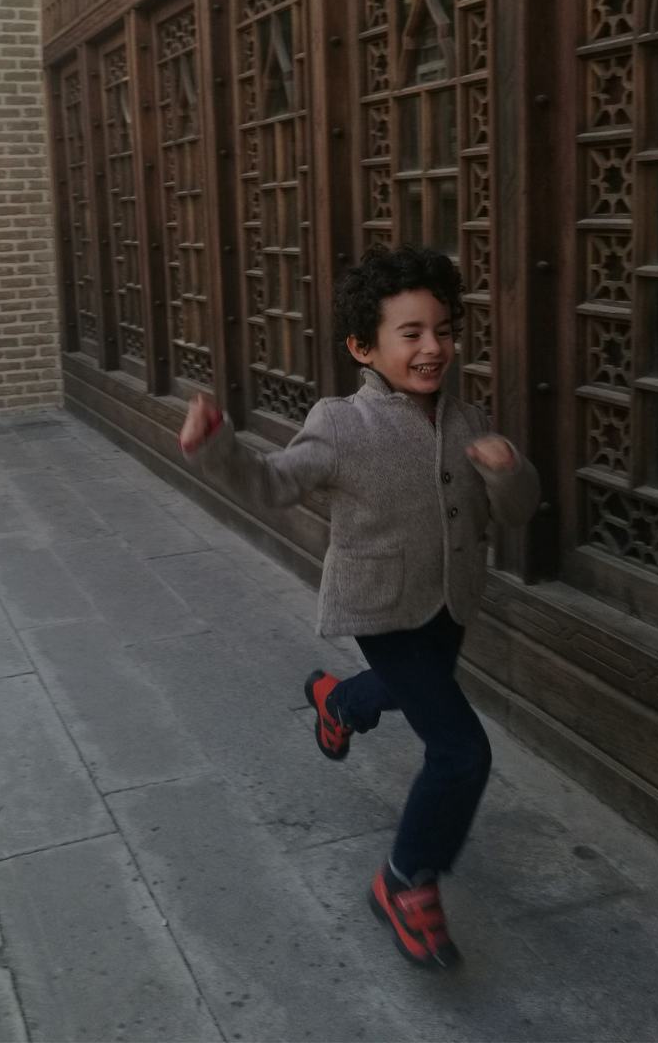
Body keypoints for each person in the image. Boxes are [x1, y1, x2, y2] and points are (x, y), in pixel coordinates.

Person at [179, 245, 539, 970]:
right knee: (461, 750)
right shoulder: (343, 423)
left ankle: (338, 702)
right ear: (364, 346)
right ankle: (405, 882)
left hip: (449, 601)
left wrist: (508, 475)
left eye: (442, 329)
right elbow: (274, 483)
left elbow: (520, 512)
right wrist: (217, 447)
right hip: (379, 608)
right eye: (411, 333)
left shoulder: (470, 420)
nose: (432, 346)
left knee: (415, 691)